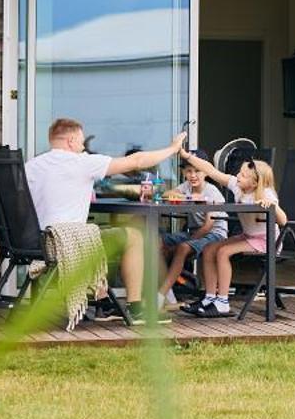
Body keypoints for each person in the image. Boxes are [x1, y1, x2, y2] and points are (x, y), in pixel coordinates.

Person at [25, 117, 188, 321]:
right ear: (71, 140)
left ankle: (103, 300)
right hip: (65, 244)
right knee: (134, 236)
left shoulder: (31, 166)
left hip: (38, 243)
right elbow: (136, 161)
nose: (83, 147)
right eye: (81, 142)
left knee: (101, 231)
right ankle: (135, 308)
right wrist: (172, 149)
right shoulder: (82, 162)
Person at [178, 149, 287, 318]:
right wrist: (188, 157)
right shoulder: (237, 187)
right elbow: (210, 170)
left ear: (254, 182)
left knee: (223, 252)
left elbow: (283, 221)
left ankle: (222, 303)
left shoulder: (265, 193)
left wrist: (272, 206)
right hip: (249, 236)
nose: (237, 176)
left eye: (243, 175)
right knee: (209, 249)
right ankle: (209, 298)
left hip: (267, 241)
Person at [156, 158, 228, 308]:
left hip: (215, 234)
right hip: (195, 232)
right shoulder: (186, 187)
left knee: (182, 248)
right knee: (158, 242)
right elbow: (166, 194)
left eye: (197, 171)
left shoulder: (212, 192)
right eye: (189, 171)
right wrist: (186, 197)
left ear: (206, 172)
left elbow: (209, 226)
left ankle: (160, 295)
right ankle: (168, 292)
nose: (193, 175)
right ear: (183, 172)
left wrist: (188, 242)